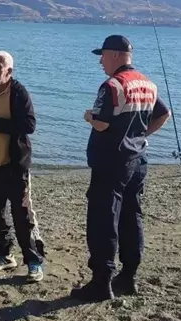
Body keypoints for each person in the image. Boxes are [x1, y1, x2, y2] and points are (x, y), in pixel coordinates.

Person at [71, 35, 172, 302]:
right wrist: (140, 136)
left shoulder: (113, 85)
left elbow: (103, 123)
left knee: (104, 219)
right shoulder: (147, 83)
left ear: (115, 55)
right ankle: (128, 276)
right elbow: (164, 114)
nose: (101, 62)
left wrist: (88, 117)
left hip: (111, 160)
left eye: (102, 56)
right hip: (138, 160)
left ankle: (101, 282)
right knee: (131, 215)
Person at [0, 50, 47, 282]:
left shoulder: (18, 92)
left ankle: (34, 261)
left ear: (9, 71)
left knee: (22, 215)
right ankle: (4, 255)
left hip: (16, 164)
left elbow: (29, 124)